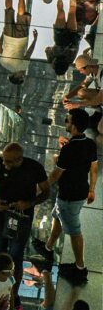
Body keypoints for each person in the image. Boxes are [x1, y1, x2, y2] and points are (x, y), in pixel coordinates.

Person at [37, 108, 98, 285]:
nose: (65, 122)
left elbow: (56, 175)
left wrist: (40, 189)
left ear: (74, 125)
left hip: (68, 196)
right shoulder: (89, 144)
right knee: (57, 216)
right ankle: (48, 247)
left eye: (67, 120)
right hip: (81, 191)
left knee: (74, 230)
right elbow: (93, 168)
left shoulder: (69, 149)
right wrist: (92, 189)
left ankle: (80, 268)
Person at [0, 143, 49, 286]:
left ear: (19, 160)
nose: (4, 163)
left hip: (22, 215)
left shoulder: (34, 168)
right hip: (1, 212)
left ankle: (13, 290)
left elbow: (46, 192)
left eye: (7, 161)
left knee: (16, 254)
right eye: (3, 159)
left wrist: (29, 203)